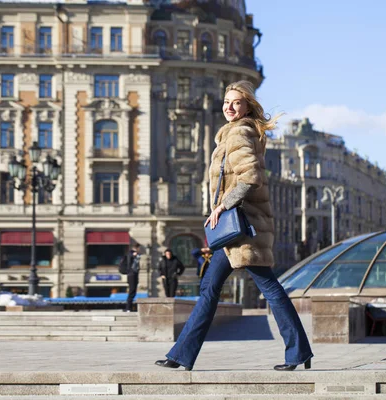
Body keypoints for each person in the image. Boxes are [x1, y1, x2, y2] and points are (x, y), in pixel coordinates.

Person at [155, 80, 313, 372]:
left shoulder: (239, 132)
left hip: (243, 229)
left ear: (247, 106)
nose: (229, 107)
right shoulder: (236, 132)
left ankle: (298, 352)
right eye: (226, 101)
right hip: (236, 231)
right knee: (211, 289)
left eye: (236, 102)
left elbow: (249, 176)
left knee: (266, 288)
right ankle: (180, 355)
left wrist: (221, 206)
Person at [123, 244, 141, 312]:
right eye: (139, 248)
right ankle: (128, 308)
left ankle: (129, 307)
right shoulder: (131, 253)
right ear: (136, 248)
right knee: (132, 291)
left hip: (134, 274)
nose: (140, 250)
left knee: (133, 291)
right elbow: (130, 257)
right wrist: (134, 254)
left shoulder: (135, 254)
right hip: (132, 275)